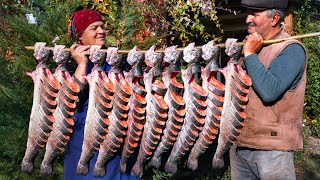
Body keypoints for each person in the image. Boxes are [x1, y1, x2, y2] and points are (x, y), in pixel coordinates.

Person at [230, 0, 307, 179]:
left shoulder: (291, 49)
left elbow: (269, 91)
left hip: (272, 151)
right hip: (240, 145)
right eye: (247, 13)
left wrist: (249, 54)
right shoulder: (254, 46)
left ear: (274, 19)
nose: (247, 19)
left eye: (255, 15)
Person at [64, 8, 138, 180]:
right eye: (94, 28)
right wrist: (81, 64)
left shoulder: (116, 60)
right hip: (85, 148)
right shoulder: (70, 64)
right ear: (80, 36)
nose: (101, 31)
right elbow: (71, 99)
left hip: (119, 146)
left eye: (102, 27)